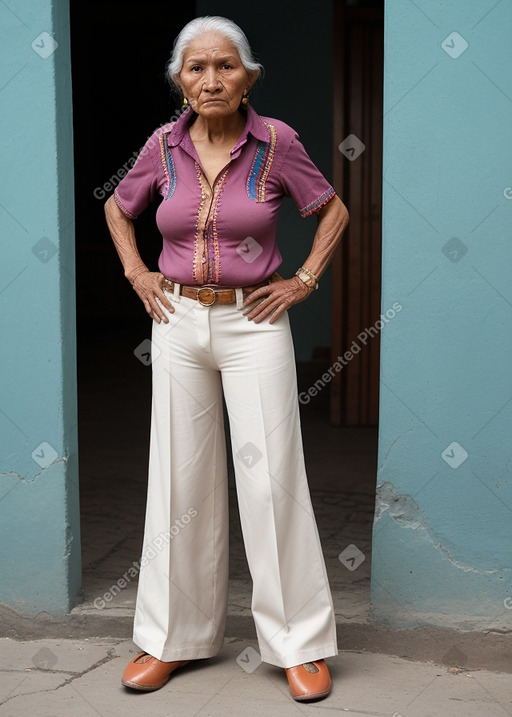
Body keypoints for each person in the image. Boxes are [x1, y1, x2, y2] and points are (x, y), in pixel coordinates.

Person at [104, 15, 349, 702]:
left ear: (249, 77)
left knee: (270, 478)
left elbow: (331, 210)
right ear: (180, 81)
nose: (210, 79)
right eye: (195, 67)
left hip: (252, 321)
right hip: (178, 319)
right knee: (178, 480)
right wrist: (137, 273)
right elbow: (119, 210)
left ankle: (298, 644)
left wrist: (303, 279)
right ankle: (170, 639)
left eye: (225, 66)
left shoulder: (276, 142)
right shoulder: (162, 145)